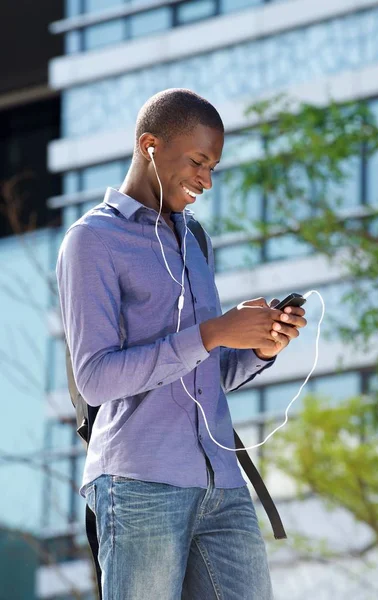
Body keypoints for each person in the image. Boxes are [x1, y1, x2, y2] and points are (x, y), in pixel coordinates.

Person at [56, 88, 307, 600]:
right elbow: (97, 378)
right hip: (139, 482)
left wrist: (260, 347)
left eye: (213, 167)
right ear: (150, 145)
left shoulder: (195, 241)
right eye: (197, 162)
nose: (206, 180)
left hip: (223, 486)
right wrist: (213, 332)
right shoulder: (92, 241)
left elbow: (202, 378)